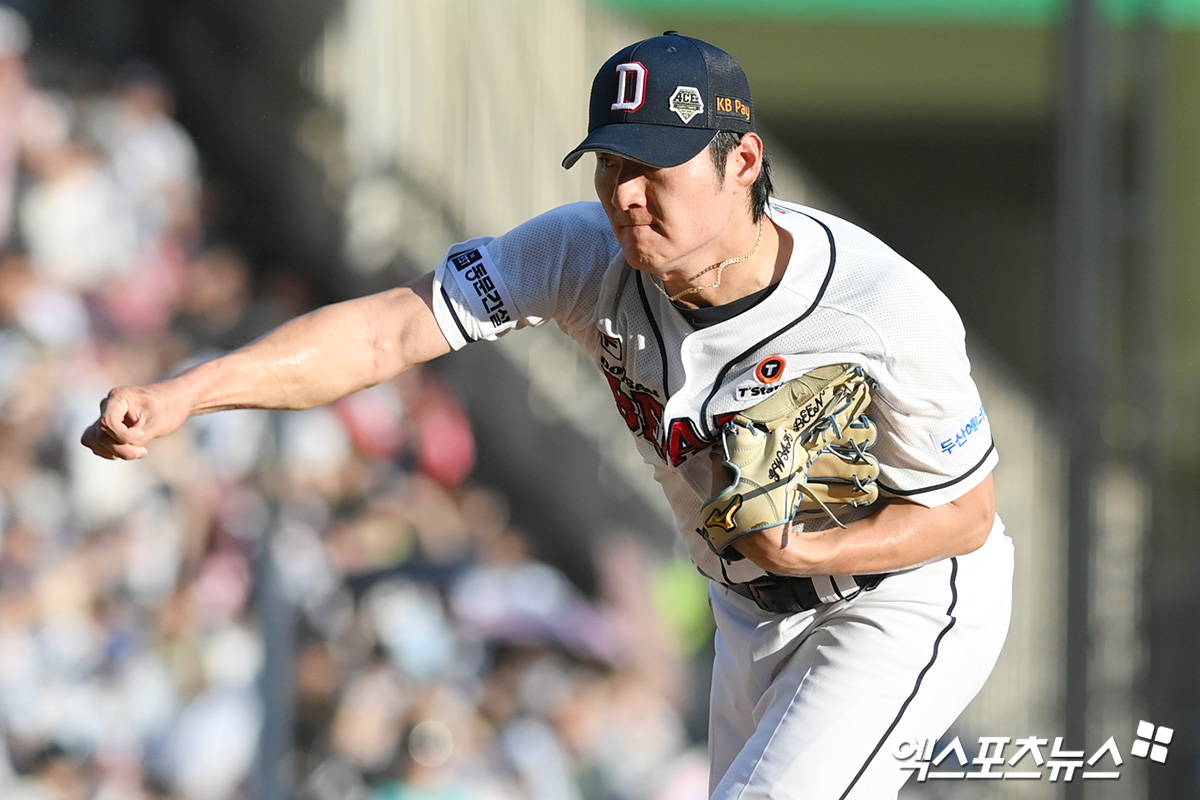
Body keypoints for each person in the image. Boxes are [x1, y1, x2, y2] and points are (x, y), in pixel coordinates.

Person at [82, 31, 1013, 800]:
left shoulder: (882, 312)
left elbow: (966, 517)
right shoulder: (581, 253)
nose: (627, 194)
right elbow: (387, 334)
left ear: (743, 161)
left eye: (654, 164)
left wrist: (808, 551)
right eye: (612, 164)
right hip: (746, 613)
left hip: (903, 604)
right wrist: (189, 391)